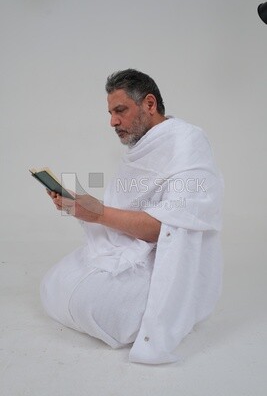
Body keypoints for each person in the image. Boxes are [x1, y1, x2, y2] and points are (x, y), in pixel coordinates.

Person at [40, 69, 224, 364]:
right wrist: (79, 206)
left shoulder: (187, 144)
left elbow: (166, 228)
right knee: (53, 283)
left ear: (149, 104)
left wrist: (98, 214)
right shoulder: (142, 148)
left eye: (120, 110)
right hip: (128, 247)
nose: (113, 121)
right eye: (111, 113)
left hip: (164, 257)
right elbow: (123, 211)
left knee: (99, 307)